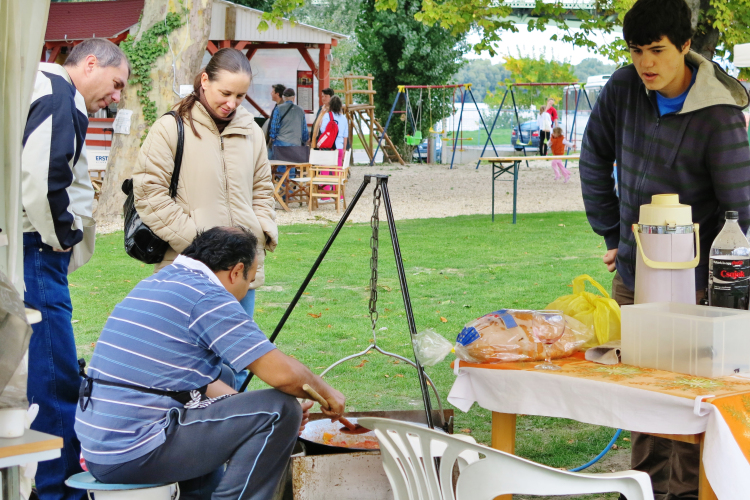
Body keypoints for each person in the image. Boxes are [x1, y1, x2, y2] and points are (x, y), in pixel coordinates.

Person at [579, 0, 750, 498]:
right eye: (637, 52)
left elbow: (741, 208)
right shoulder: (624, 88)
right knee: (644, 402)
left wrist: (719, 291)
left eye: (657, 51)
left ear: (685, 47)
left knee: (694, 406)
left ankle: (689, 494)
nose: (647, 64)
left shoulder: (719, 115)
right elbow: (594, 156)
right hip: (635, 278)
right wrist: (612, 233)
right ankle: (644, 493)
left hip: (700, 291)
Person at [75, 226, 345, 500]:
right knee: (281, 410)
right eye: (248, 281)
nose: (244, 292)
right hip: (136, 451)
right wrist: (327, 394)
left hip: (103, 449)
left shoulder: (162, 281)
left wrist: (252, 420)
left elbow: (208, 384)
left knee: (226, 374)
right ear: (236, 271)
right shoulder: (206, 296)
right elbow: (284, 375)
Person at [22, 38, 129, 500]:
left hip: (29, 248)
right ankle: (58, 489)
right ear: (90, 64)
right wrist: (62, 239)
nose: (118, 95)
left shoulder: (40, 85)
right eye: (117, 82)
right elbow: (42, 178)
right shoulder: (57, 91)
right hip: (37, 250)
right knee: (54, 374)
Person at [133, 47, 275, 324]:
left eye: (240, 96)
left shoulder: (253, 133)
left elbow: (263, 189)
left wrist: (259, 230)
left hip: (240, 269)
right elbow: (149, 193)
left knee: (236, 359)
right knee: (188, 360)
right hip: (188, 269)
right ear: (205, 81)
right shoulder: (170, 127)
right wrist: (199, 244)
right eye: (225, 93)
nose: (232, 103)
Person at [268, 88, 310, 160]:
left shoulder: (278, 108)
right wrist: (303, 142)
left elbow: (274, 128)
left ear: (283, 98)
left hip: (281, 144)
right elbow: (304, 130)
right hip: (295, 144)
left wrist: (273, 138)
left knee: (281, 167)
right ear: (294, 98)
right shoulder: (300, 110)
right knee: (292, 166)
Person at [319, 96, 349, 166]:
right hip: (339, 148)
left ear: (330, 105)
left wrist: (320, 125)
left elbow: (323, 130)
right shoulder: (344, 118)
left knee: (325, 171)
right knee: (338, 172)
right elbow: (345, 136)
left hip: (328, 148)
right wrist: (344, 149)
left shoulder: (327, 115)